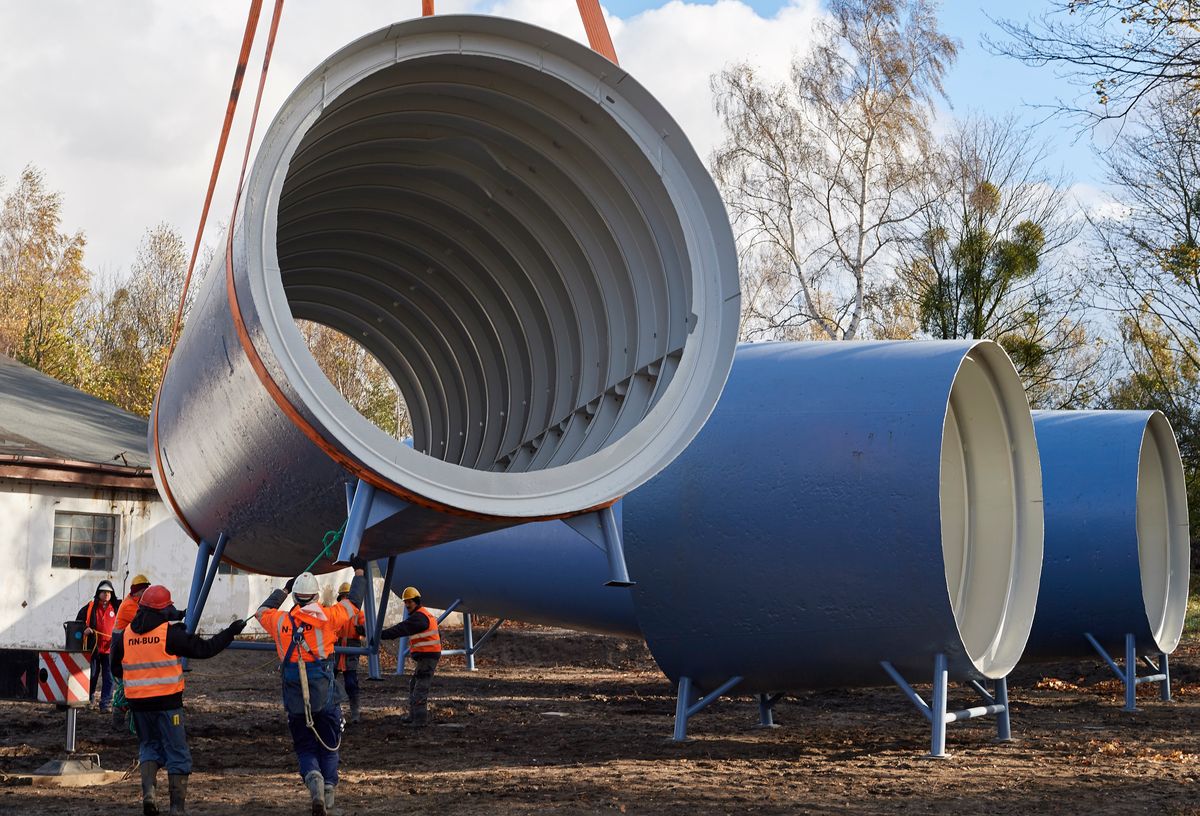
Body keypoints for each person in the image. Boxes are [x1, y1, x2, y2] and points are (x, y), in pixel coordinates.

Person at [111, 584, 244, 816]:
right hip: (168, 705)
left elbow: (116, 667)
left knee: (149, 747)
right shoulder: (169, 634)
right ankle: (177, 808)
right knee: (177, 753)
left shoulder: (126, 636)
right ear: (163, 610)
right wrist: (230, 632)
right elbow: (205, 649)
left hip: (139, 706)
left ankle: (149, 795)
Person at [257, 559, 366, 816]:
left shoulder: (280, 621)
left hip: (295, 698)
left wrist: (282, 591)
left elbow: (262, 611)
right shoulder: (328, 618)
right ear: (317, 596)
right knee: (330, 744)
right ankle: (328, 796)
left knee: (305, 747)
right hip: (324, 695)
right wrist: (359, 572)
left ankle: (314, 780)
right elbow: (353, 604)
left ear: (295, 596)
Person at [111, 575, 185, 732]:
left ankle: (130, 716)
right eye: (145, 591)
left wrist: (179, 614)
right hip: (127, 649)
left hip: (131, 647)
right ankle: (121, 712)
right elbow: (153, 619)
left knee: (134, 687)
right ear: (138, 592)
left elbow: (158, 613)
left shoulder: (137, 603)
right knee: (131, 687)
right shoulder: (130, 607)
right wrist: (176, 623)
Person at [379, 586, 441, 727]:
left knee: (420, 687)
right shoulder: (423, 615)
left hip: (427, 657)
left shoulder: (419, 618)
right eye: (405, 602)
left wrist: (381, 634)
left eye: (409, 602)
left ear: (416, 602)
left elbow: (401, 629)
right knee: (414, 684)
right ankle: (413, 716)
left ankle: (419, 720)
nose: (407, 605)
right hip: (427, 656)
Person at [76, 579, 119, 710]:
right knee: (93, 674)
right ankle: (89, 698)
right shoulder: (90, 607)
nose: (106, 595)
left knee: (109, 677)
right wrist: (85, 628)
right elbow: (79, 622)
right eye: (104, 592)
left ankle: (105, 703)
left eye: (109, 592)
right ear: (98, 593)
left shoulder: (117, 608)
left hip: (110, 649)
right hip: (94, 648)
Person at [333, 581, 366, 725]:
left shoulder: (359, 613)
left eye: (348, 596)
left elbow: (367, 628)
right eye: (344, 596)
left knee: (351, 683)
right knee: (329, 682)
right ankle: (331, 710)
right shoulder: (335, 611)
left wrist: (363, 630)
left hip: (351, 649)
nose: (346, 599)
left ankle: (355, 713)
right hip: (335, 648)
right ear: (340, 598)